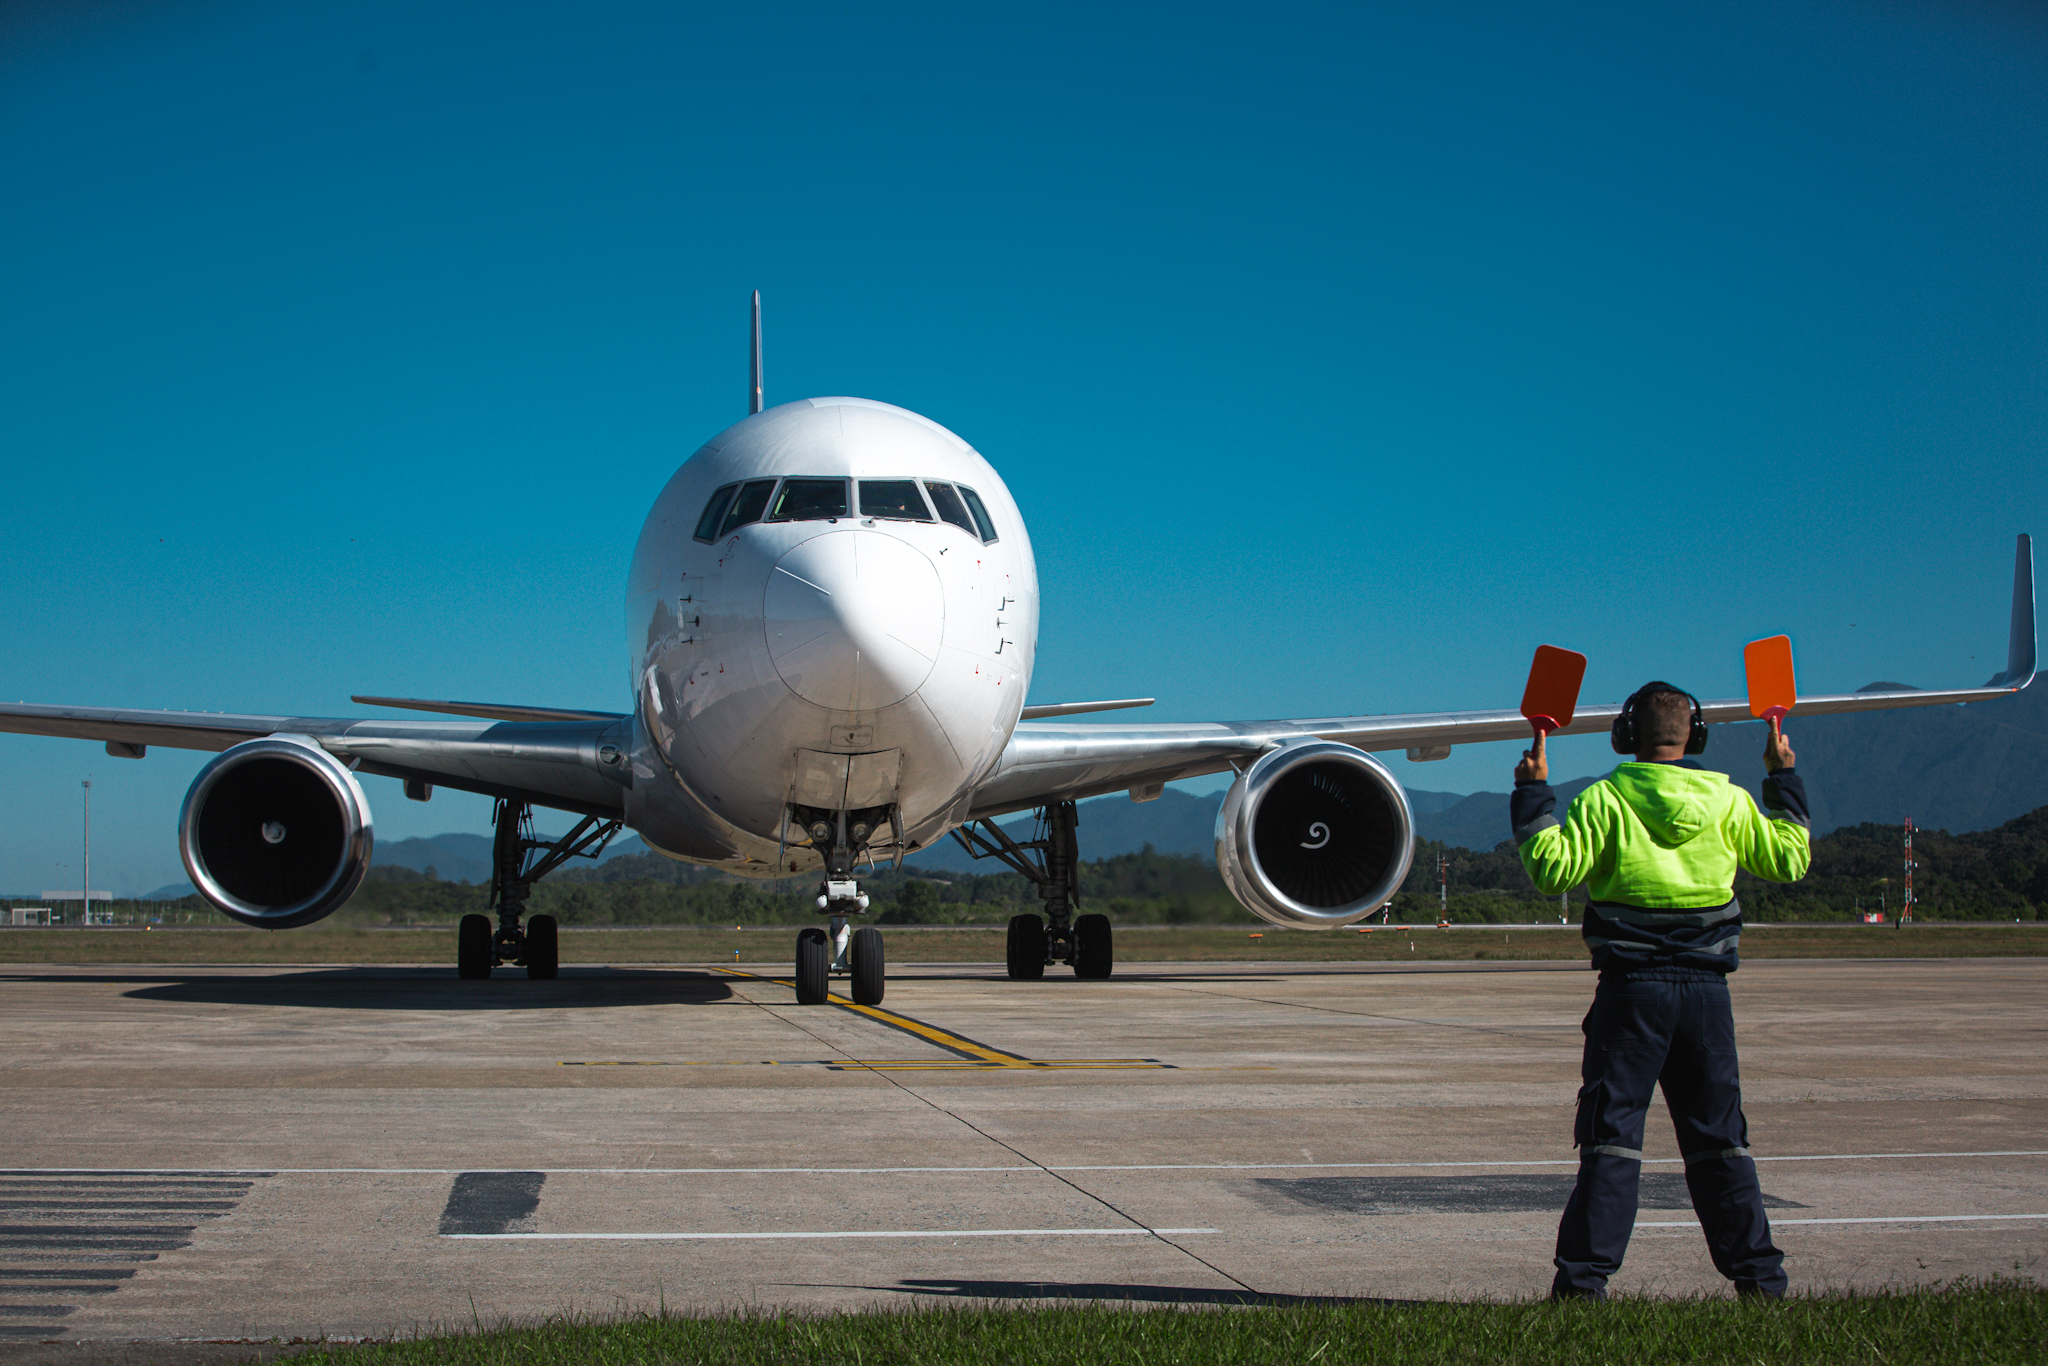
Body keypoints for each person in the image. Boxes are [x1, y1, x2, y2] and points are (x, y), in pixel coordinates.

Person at [1511, 682, 1809, 1301]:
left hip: (1632, 993)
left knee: (1612, 1139)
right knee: (1721, 1140)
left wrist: (1533, 792)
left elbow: (1550, 870)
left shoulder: (1605, 799)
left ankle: (1583, 1288)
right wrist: (1783, 780)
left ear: (1625, 737)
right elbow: (1789, 860)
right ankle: (1761, 1283)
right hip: (1706, 995)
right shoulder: (1726, 799)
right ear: (1694, 736)